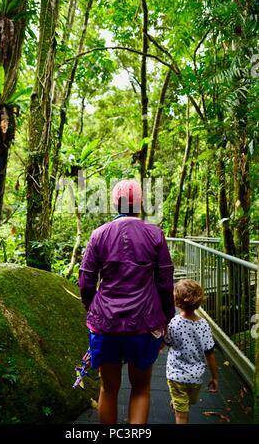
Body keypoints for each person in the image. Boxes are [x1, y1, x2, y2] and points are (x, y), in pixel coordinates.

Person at [78, 179, 175, 424]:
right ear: (141, 204)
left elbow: (86, 281)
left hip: (106, 325)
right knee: (140, 389)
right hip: (144, 325)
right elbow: (165, 283)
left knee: (108, 389)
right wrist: (166, 320)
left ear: (114, 203)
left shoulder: (99, 234)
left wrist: (93, 310)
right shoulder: (155, 234)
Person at [164, 278, 218, 424]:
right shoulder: (204, 325)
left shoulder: (174, 322)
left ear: (177, 301)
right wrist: (215, 377)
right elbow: (210, 353)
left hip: (176, 376)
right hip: (195, 378)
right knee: (186, 403)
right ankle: (179, 404)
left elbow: (167, 341)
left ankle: (179, 406)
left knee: (181, 416)